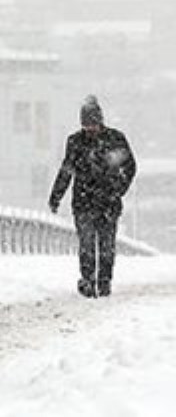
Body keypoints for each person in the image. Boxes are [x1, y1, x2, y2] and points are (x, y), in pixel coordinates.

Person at [49, 95, 138, 298]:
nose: (90, 129)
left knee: (106, 244)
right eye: (86, 125)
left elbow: (130, 166)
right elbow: (66, 170)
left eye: (93, 124)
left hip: (108, 201)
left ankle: (104, 281)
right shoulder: (75, 142)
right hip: (84, 203)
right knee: (87, 244)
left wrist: (118, 189)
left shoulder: (116, 139)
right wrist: (56, 196)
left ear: (100, 121)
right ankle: (88, 280)